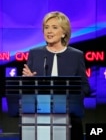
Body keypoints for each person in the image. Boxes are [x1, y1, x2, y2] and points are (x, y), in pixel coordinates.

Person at [22, 11, 90, 140]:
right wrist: (29, 81)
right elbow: (26, 90)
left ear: (64, 32)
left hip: (69, 117)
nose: (49, 31)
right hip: (41, 116)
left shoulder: (76, 55)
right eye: (46, 27)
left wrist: (71, 94)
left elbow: (85, 87)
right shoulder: (34, 54)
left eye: (54, 27)